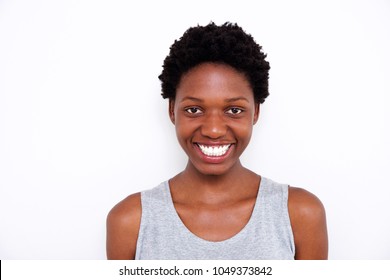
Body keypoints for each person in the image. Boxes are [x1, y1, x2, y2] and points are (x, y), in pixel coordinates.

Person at [106, 22, 328, 260]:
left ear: (255, 112)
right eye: (193, 109)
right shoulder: (131, 222)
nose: (213, 130)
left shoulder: (299, 214)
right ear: (172, 110)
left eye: (234, 110)